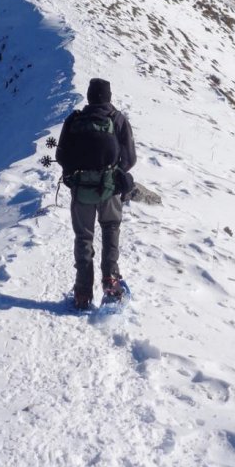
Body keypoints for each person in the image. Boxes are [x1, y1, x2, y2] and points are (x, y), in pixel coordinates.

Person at [55, 78, 136, 310]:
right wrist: (113, 173)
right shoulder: (117, 119)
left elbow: (61, 155)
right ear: (108, 96)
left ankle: (82, 293)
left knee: (84, 237)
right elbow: (130, 159)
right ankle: (111, 279)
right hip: (109, 188)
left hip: (81, 190)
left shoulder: (74, 120)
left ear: (89, 96)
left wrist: (76, 176)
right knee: (110, 228)